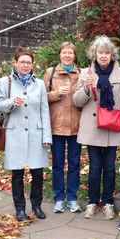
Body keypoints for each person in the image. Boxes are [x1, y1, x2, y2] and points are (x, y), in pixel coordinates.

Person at [73, 35, 120, 220]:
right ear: (95, 54)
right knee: (94, 167)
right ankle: (92, 202)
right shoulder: (86, 73)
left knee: (109, 167)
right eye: (100, 52)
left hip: (113, 127)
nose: (104, 56)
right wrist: (86, 89)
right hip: (93, 128)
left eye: (107, 52)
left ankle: (108, 203)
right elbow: (76, 101)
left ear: (112, 55)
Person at [0, 47, 52, 222]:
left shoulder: (40, 84)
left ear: (32, 64)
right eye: (22, 62)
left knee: (37, 172)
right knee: (17, 173)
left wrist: (46, 136)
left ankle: (37, 205)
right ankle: (20, 208)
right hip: (15, 133)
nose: (25, 65)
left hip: (36, 132)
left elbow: (45, 111)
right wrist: (12, 102)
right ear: (15, 63)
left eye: (28, 62)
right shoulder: (5, 82)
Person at [43, 42, 82, 214]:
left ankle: (72, 197)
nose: (67, 56)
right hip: (56, 126)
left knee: (74, 164)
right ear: (59, 55)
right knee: (58, 164)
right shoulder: (50, 73)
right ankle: (59, 198)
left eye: (70, 53)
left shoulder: (82, 73)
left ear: (74, 56)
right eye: (64, 53)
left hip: (76, 126)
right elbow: (41, 97)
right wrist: (56, 94)